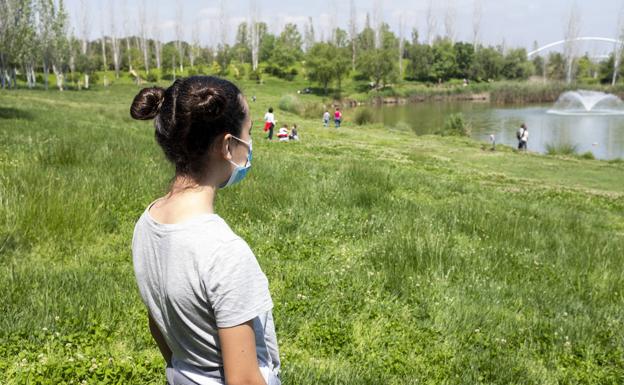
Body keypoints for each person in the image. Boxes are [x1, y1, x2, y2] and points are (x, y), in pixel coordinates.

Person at [130, 76, 281, 385]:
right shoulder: (225, 252)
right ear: (228, 145)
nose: (249, 145)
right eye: (248, 134)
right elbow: (243, 381)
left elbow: (158, 323)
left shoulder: (147, 223)